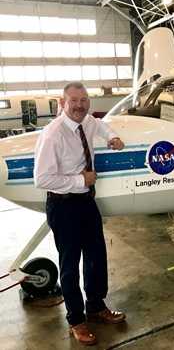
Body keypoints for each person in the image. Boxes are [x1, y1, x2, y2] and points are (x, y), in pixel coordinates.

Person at [34, 82, 125, 346]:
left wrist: (112, 137)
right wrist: (80, 180)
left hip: (86, 202)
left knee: (97, 256)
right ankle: (76, 319)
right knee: (70, 265)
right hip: (63, 206)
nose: (79, 105)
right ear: (62, 104)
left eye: (83, 100)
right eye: (73, 100)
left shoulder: (87, 122)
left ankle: (96, 306)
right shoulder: (53, 134)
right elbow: (42, 179)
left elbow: (101, 124)